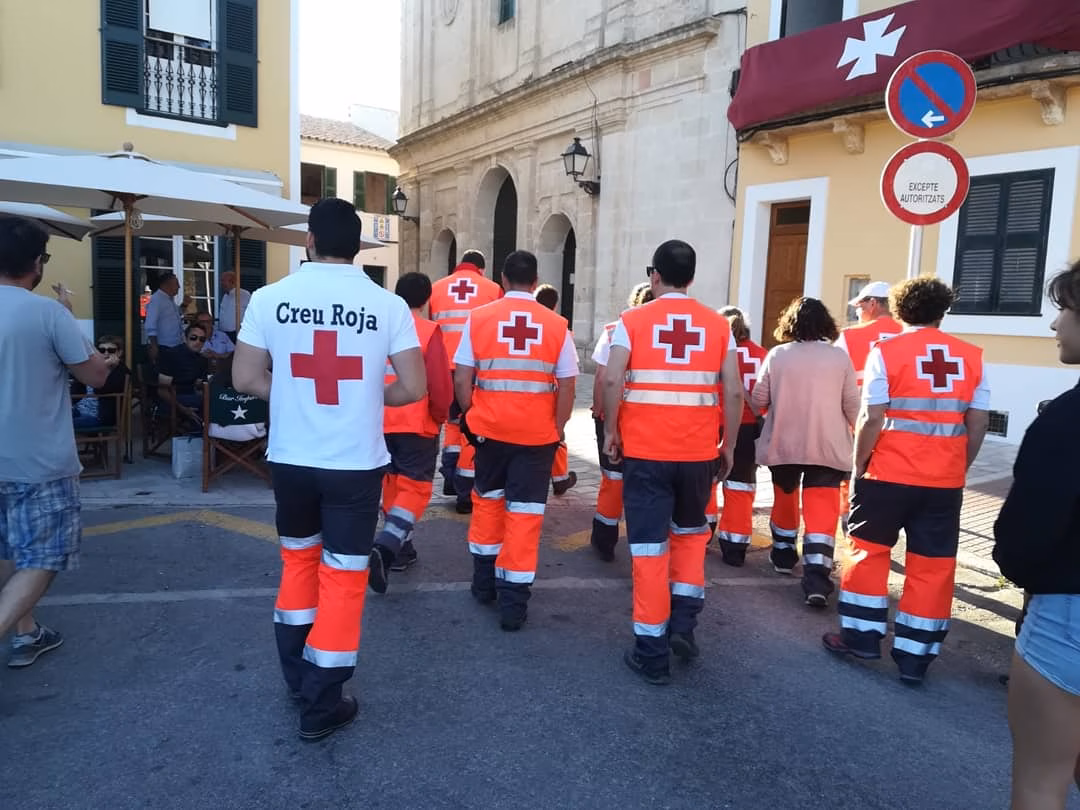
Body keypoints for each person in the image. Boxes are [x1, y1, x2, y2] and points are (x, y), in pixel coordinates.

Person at [232, 198, 426, 740]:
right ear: (359, 247)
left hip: (291, 460)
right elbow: (413, 388)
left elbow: (245, 379)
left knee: (298, 563)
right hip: (354, 465)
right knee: (343, 577)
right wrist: (366, 397)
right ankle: (322, 702)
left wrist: (293, 395)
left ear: (309, 243)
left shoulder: (271, 298)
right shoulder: (387, 306)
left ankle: (297, 678)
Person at [823, 277, 990, 685]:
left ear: (898, 310)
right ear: (942, 311)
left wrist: (858, 465)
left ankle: (861, 638)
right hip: (943, 480)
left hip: (887, 474)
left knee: (869, 553)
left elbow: (872, 417)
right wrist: (959, 465)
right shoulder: (972, 356)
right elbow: (979, 421)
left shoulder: (887, 351)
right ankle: (916, 657)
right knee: (933, 566)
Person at [602, 240, 742, 685]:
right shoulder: (718, 326)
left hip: (646, 455)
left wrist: (611, 432)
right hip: (698, 455)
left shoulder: (633, 320)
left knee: (648, 550)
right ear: (692, 278)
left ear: (654, 276)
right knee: (689, 540)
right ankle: (683, 625)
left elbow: (609, 376)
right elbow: (735, 392)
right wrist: (730, 446)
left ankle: (651, 651)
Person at [0, 216, 108, 668]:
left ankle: (27, 632)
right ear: (36, 264)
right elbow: (96, 374)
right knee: (44, 555)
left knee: (7, 548)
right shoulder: (45, 313)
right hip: (38, 459)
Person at [993, 260, 1080, 809]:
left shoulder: (1066, 421)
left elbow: (1027, 536)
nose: (1055, 325)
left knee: (1041, 782)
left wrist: (1016, 566)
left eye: (1066, 309)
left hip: (1069, 613)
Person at [454, 250, 578, 631]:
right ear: (536, 279)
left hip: (489, 434)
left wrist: (472, 417)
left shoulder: (479, 318)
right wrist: (557, 430)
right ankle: (514, 605)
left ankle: (484, 583)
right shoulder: (557, 325)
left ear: (504, 279)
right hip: (536, 438)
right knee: (525, 517)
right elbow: (569, 385)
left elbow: (462, 378)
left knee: (488, 504)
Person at [752, 298, 859, 606]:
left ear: (790, 324)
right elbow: (853, 406)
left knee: (785, 499)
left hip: (784, 444)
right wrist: (865, 442)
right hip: (827, 447)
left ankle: (784, 556)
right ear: (826, 323)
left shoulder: (778, 355)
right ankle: (816, 577)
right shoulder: (839, 357)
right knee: (821, 511)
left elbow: (760, 399)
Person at [374, 272, 453, 576]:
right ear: (426, 299)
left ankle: (400, 548)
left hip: (378, 421)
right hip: (415, 422)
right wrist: (440, 415)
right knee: (416, 488)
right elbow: (439, 383)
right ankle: (388, 544)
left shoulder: (378, 328)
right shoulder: (427, 330)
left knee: (391, 484)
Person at [430, 250, 502, 513]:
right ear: (481, 269)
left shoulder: (436, 288)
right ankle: (465, 490)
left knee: (451, 426)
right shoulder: (492, 289)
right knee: (472, 428)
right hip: (474, 370)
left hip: (444, 368)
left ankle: (449, 475)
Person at [589, 281, 654, 562]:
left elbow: (604, 376)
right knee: (644, 482)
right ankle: (646, 545)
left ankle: (605, 538)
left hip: (616, 415)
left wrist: (599, 410)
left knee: (613, 478)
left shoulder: (615, 330)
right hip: (646, 418)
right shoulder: (659, 332)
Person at [835, 281, 903, 530]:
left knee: (853, 473)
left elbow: (835, 378)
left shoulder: (850, 337)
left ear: (873, 304)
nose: (858, 313)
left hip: (859, 420)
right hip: (899, 424)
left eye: (859, 307)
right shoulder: (907, 334)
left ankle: (849, 520)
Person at [713, 306, 767, 567]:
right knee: (741, 486)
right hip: (748, 428)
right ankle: (735, 546)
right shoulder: (762, 354)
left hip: (714, 422)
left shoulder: (714, 351)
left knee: (706, 481)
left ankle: (702, 531)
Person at [535, 283, 577, 496]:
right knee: (557, 434)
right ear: (555, 304)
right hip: (553, 393)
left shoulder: (525, 322)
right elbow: (569, 375)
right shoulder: (559, 328)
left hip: (528, 395)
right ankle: (559, 478)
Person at [72, 335, 131, 430]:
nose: (106, 353)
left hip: (99, 417)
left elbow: (103, 389)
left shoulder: (122, 371)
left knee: (61, 425)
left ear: (119, 353)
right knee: (51, 419)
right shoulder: (93, 366)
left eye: (111, 350)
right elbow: (76, 388)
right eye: (102, 350)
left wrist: (105, 367)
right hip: (79, 410)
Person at [144, 272, 186, 366]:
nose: (179, 287)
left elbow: (175, 313)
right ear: (167, 285)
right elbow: (150, 325)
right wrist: (154, 346)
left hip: (175, 345)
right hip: (164, 347)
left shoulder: (168, 299)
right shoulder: (156, 300)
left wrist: (185, 304)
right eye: (176, 284)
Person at [218, 271, 251, 343]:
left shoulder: (243, 294)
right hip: (224, 333)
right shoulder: (225, 296)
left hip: (236, 333)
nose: (221, 283)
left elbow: (251, 312)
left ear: (232, 282)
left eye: (223, 281)